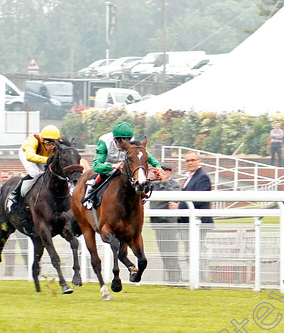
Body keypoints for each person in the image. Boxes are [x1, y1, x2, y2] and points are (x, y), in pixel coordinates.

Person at [82, 121, 161, 209]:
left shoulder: (132, 143)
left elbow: (147, 155)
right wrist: (112, 166)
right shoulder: (104, 142)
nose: (124, 147)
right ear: (115, 139)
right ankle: (92, 189)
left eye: (127, 143)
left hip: (125, 166)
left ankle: (141, 196)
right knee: (106, 174)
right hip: (108, 165)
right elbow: (96, 166)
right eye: (122, 144)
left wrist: (158, 167)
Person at [170, 151, 213, 282]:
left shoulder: (202, 177)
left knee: (196, 254)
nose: (190, 163)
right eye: (187, 161)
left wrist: (179, 207)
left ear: (199, 161)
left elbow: (199, 199)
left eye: (193, 160)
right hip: (189, 222)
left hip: (198, 223)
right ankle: (198, 280)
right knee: (190, 253)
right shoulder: (191, 177)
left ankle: (202, 281)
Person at [6, 125, 60, 211]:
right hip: (27, 154)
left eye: (53, 144)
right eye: (48, 144)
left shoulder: (55, 144)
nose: (51, 147)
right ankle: (14, 195)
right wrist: (47, 160)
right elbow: (30, 156)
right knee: (35, 174)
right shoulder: (33, 140)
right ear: (42, 140)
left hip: (42, 156)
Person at [150, 162, 182, 283]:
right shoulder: (154, 184)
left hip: (169, 224)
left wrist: (164, 182)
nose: (161, 174)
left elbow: (174, 196)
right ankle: (172, 279)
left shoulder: (174, 184)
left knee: (171, 254)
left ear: (169, 172)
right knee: (164, 254)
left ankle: (176, 280)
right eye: (159, 171)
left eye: (164, 171)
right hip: (158, 225)